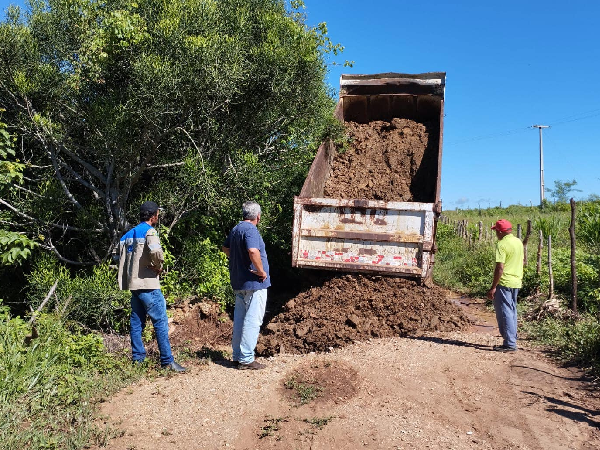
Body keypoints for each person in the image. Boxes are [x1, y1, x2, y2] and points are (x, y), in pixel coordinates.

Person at [118, 201, 186, 372]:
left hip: (134, 286)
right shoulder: (150, 231)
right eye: (157, 214)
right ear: (153, 215)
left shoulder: (128, 234)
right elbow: (156, 251)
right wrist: (158, 266)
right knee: (161, 321)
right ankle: (167, 361)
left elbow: (117, 255)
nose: (158, 217)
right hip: (149, 284)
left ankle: (138, 360)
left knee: (136, 323)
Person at [222, 201, 271, 370]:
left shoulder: (236, 229)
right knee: (252, 320)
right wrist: (261, 271)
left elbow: (225, 248)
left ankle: (237, 356)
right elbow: (253, 251)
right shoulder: (251, 229)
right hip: (254, 283)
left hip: (239, 282)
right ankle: (247, 359)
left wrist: (238, 261)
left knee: (240, 320)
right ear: (258, 216)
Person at [487, 219, 524, 352]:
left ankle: (509, 344)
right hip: (516, 282)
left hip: (505, 282)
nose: (496, 234)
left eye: (496, 231)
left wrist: (493, 287)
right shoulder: (518, 242)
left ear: (500, 231)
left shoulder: (502, 244)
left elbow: (500, 268)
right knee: (512, 311)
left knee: (505, 312)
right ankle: (512, 338)